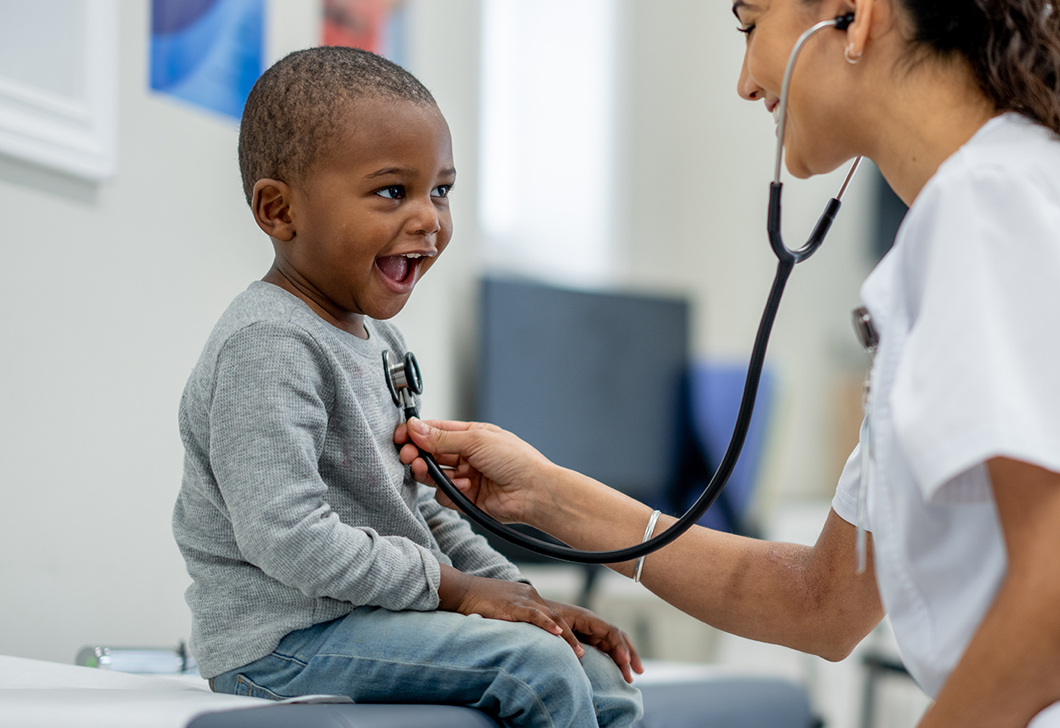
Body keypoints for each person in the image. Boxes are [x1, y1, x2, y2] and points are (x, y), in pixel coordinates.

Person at [398, 1, 1060, 726]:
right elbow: (823, 603)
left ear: (853, 14)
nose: (745, 82)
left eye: (751, 25)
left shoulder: (988, 201)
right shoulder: (984, 206)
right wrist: (549, 496)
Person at [171, 46, 643, 728]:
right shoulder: (268, 344)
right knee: (535, 668)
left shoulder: (380, 341)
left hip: (374, 617)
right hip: (282, 645)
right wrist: (457, 591)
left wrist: (521, 597)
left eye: (441, 190)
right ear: (279, 210)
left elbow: (427, 510)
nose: (430, 219)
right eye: (394, 191)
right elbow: (288, 537)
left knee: (590, 668)